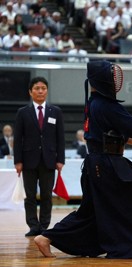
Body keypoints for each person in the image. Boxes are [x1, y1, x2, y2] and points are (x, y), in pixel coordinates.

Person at [34, 60, 132, 258]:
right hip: (107, 166)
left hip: (97, 165)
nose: (115, 80)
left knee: (90, 214)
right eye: (111, 76)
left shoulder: (95, 104)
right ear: (104, 81)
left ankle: (45, 238)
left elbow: (117, 136)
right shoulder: (106, 106)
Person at [13, 76, 65, 237]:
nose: (40, 91)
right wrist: (18, 161)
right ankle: (33, 225)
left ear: (47, 91)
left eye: (43, 88)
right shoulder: (23, 112)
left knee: (46, 195)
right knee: (29, 196)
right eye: (37, 88)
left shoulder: (55, 111)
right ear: (30, 92)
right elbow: (18, 138)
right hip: (28, 161)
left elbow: (60, 138)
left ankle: (44, 225)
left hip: (49, 160)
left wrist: (60, 159)